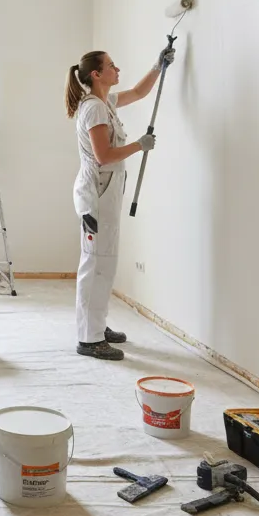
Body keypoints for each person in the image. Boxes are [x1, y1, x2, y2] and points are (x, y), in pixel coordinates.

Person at [65, 46, 174, 361]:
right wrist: (139, 145)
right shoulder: (94, 109)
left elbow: (139, 93)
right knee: (96, 264)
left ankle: (97, 326)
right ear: (96, 74)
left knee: (105, 263)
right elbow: (104, 156)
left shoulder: (105, 102)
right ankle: (89, 338)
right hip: (96, 194)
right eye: (112, 66)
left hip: (105, 191)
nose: (118, 69)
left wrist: (158, 64)